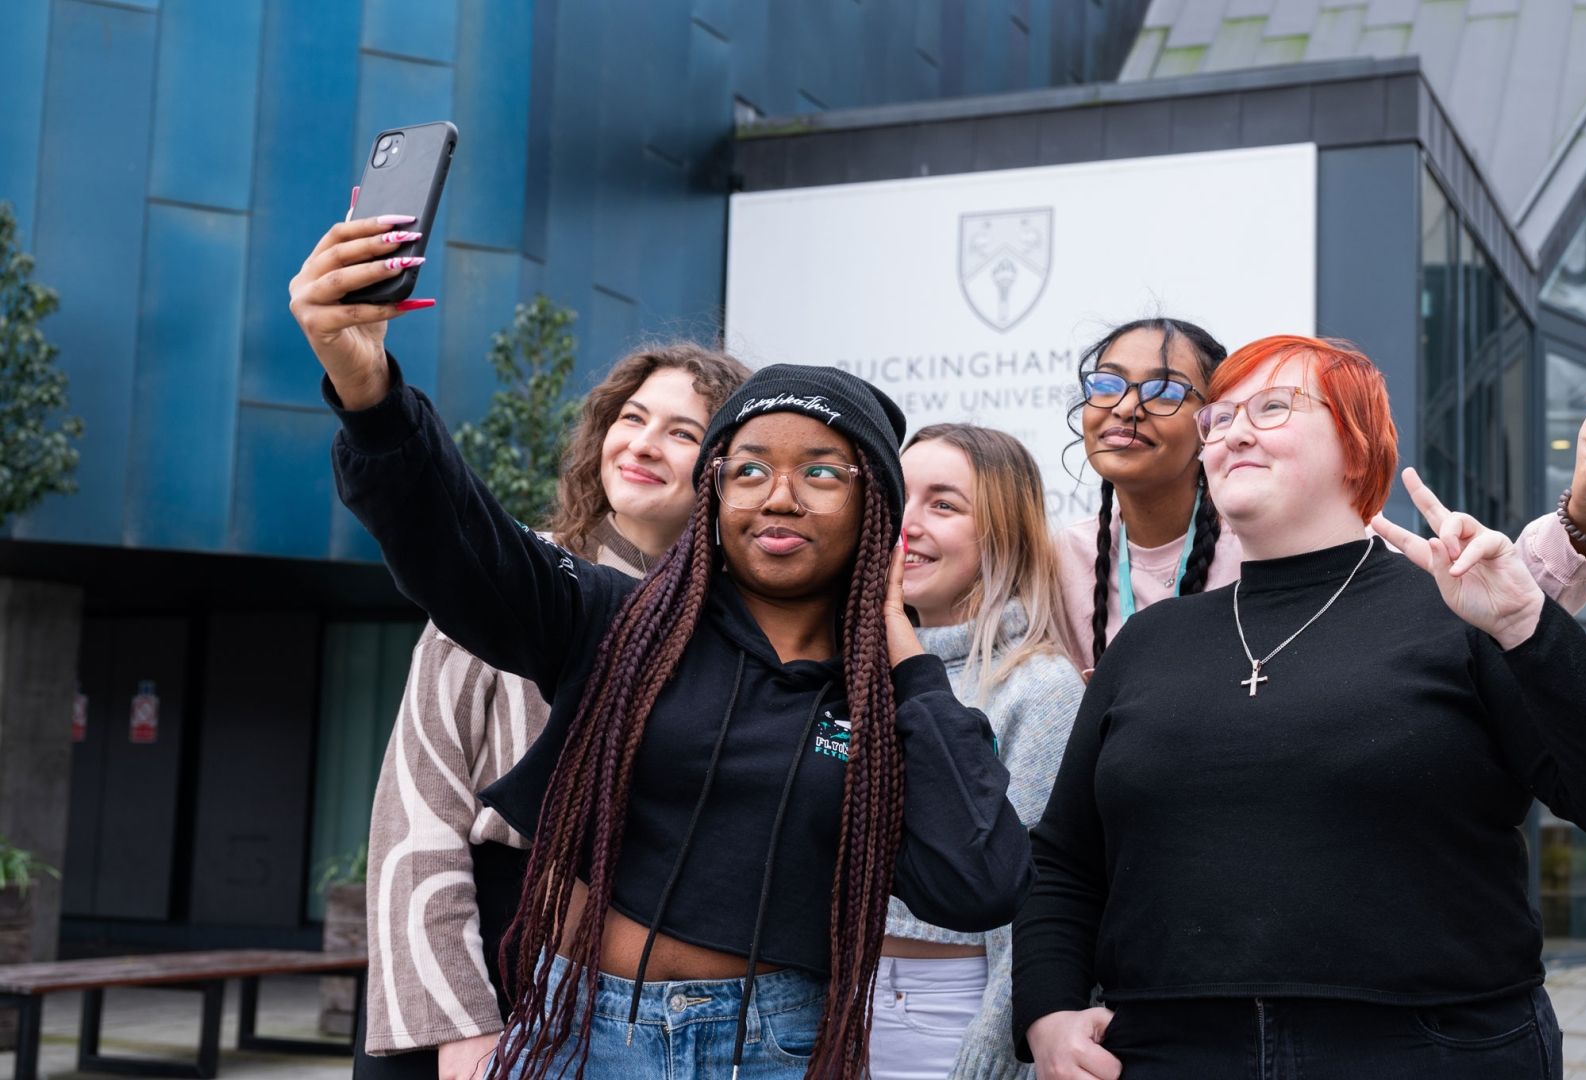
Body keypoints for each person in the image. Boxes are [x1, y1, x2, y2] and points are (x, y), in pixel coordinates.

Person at [289, 211, 1031, 1080]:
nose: (779, 495)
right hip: (575, 1029)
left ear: (877, 511)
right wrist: (369, 390)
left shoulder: (884, 697)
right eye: (747, 468)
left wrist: (906, 661)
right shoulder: (623, 620)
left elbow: (979, 880)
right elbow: (460, 544)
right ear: (713, 495)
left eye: (821, 472)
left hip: (773, 1048)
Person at [1014, 335, 1586, 1080]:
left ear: (1356, 446)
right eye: (1220, 418)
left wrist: (1526, 624)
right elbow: (1065, 860)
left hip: (1430, 1049)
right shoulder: (1150, 642)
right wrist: (1048, 1012)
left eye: (1272, 408)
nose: (1235, 432)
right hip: (1171, 1050)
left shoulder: (1461, 612)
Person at [357, 343, 750, 1080]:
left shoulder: (740, 631)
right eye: (631, 418)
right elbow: (418, 812)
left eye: (682, 432)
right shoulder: (509, 580)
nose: (643, 444)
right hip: (486, 949)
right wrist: (460, 1021)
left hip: (644, 989)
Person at [1057, 319, 1586, 672]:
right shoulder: (1054, 562)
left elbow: (1495, 596)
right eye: (1106, 384)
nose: (1126, 408)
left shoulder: (1295, 544)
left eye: (1165, 391)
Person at [868, 425, 1084, 1080]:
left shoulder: (1040, 688)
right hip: (829, 1005)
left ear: (1003, 534)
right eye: (898, 498)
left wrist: (992, 1055)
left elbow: (1037, 907)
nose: (908, 524)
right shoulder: (848, 673)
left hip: (949, 1014)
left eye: (944, 504)